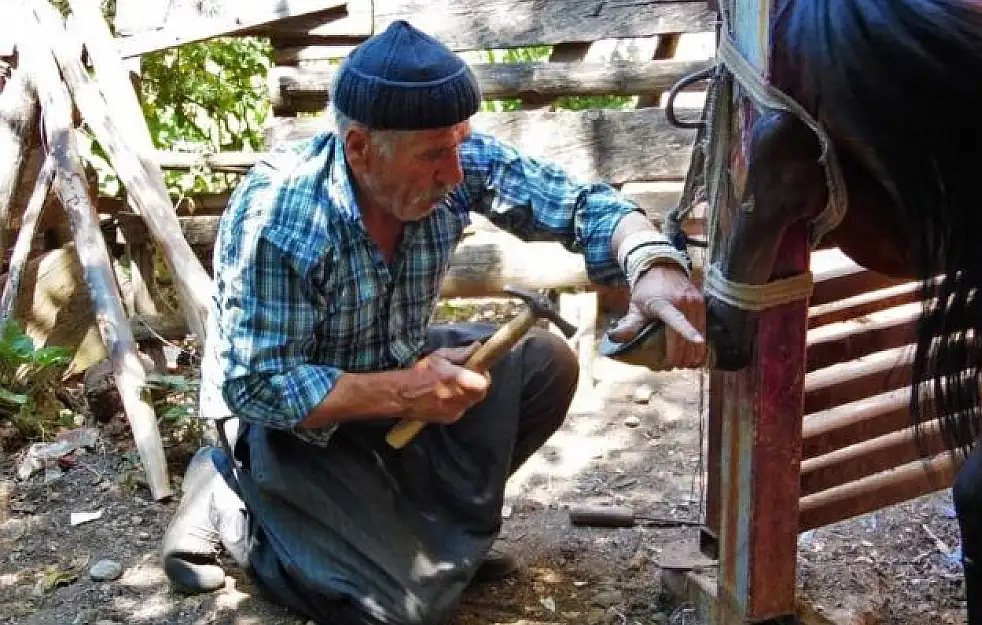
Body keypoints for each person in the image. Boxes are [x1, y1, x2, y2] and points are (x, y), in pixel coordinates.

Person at [159, 19, 707, 625]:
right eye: (431, 155)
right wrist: (403, 390)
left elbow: (578, 203)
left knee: (546, 366)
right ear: (360, 147)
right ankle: (230, 504)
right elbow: (256, 387)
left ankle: (423, 537)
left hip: (391, 374)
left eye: (458, 144)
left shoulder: (452, 157)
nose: (453, 173)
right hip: (292, 427)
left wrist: (651, 262)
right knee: (398, 611)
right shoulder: (282, 219)